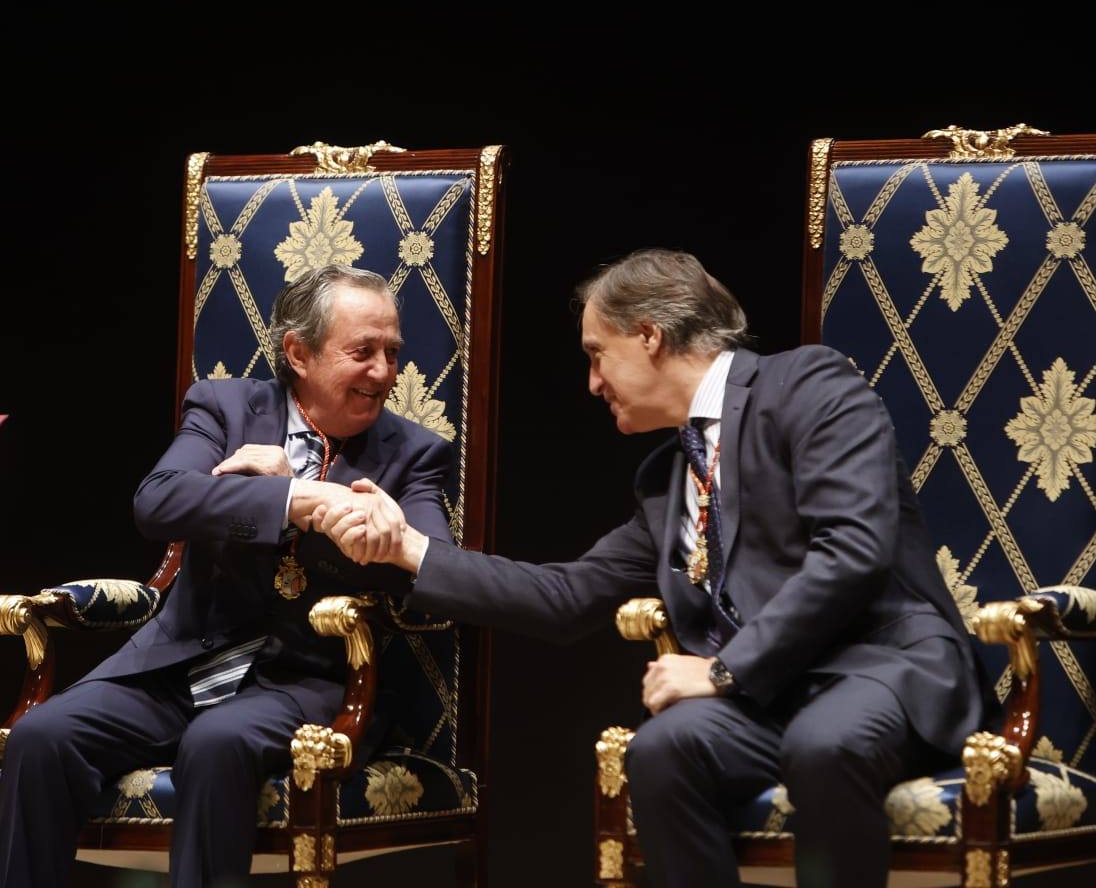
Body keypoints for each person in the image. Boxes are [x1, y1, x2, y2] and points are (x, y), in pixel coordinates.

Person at [314, 248, 987, 888]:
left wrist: (725, 670)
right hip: (771, 698)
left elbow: (852, 552)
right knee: (664, 749)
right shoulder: (669, 479)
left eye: (596, 354)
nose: (592, 382)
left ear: (649, 335)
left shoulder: (809, 386)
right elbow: (563, 597)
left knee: (824, 743)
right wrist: (406, 546)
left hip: (879, 669)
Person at [0, 264, 454, 888]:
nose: (384, 372)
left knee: (216, 743)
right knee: (42, 736)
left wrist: (313, 494)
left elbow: (432, 565)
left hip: (310, 681)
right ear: (298, 352)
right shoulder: (226, 407)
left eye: (392, 352)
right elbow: (158, 502)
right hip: (179, 664)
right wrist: (287, 502)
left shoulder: (415, 452)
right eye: (362, 352)